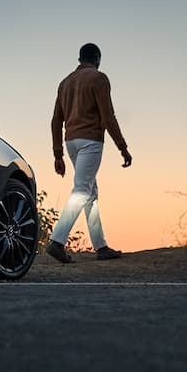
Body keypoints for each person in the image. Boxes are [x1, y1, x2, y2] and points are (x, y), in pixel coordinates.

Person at [46, 43, 132, 263]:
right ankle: (57, 241)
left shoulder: (65, 82)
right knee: (83, 190)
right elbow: (108, 117)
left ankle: (101, 246)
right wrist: (123, 147)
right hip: (91, 141)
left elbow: (56, 120)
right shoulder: (99, 78)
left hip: (71, 142)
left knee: (91, 192)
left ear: (79, 58)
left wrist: (58, 154)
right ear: (97, 58)